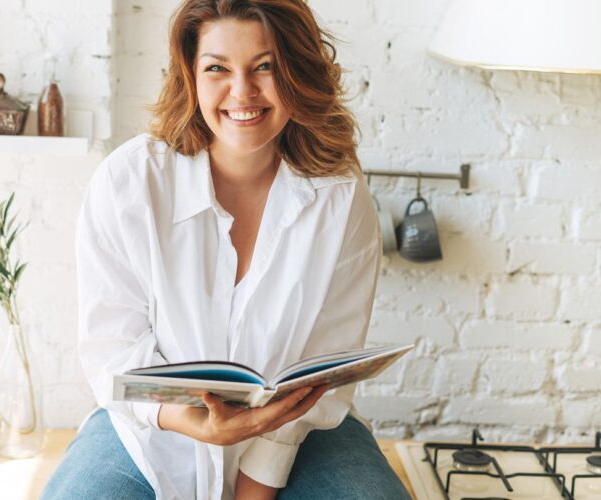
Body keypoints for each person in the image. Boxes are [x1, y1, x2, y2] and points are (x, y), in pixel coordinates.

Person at [42, 1, 410, 499]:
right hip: (153, 430)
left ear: (297, 71)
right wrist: (190, 422)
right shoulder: (129, 183)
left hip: (299, 427)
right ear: (191, 75)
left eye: (266, 67)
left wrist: (253, 491)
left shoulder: (341, 198)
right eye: (218, 68)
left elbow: (326, 367)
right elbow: (113, 349)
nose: (243, 92)